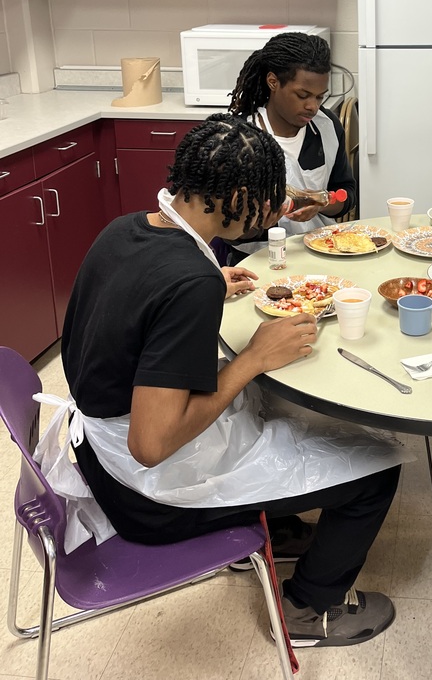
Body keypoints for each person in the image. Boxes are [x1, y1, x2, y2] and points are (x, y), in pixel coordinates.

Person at [51, 114, 404, 648]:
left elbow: (133, 308)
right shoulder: (186, 281)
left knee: (273, 414)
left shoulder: (126, 228)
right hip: (146, 493)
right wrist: (252, 358)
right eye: (268, 200)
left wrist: (209, 283)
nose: (274, 211)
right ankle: (307, 610)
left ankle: (271, 528)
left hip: (97, 456)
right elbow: (150, 445)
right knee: (376, 473)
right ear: (236, 195)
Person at [227, 32, 355, 261]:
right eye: (303, 95)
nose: (312, 107)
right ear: (273, 82)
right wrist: (263, 222)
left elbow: (348, 194)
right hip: (256, 263)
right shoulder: (240, 137)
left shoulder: (326, 127)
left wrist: (323, 201)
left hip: (322, 252)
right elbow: (225, 228)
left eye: (319, 97)